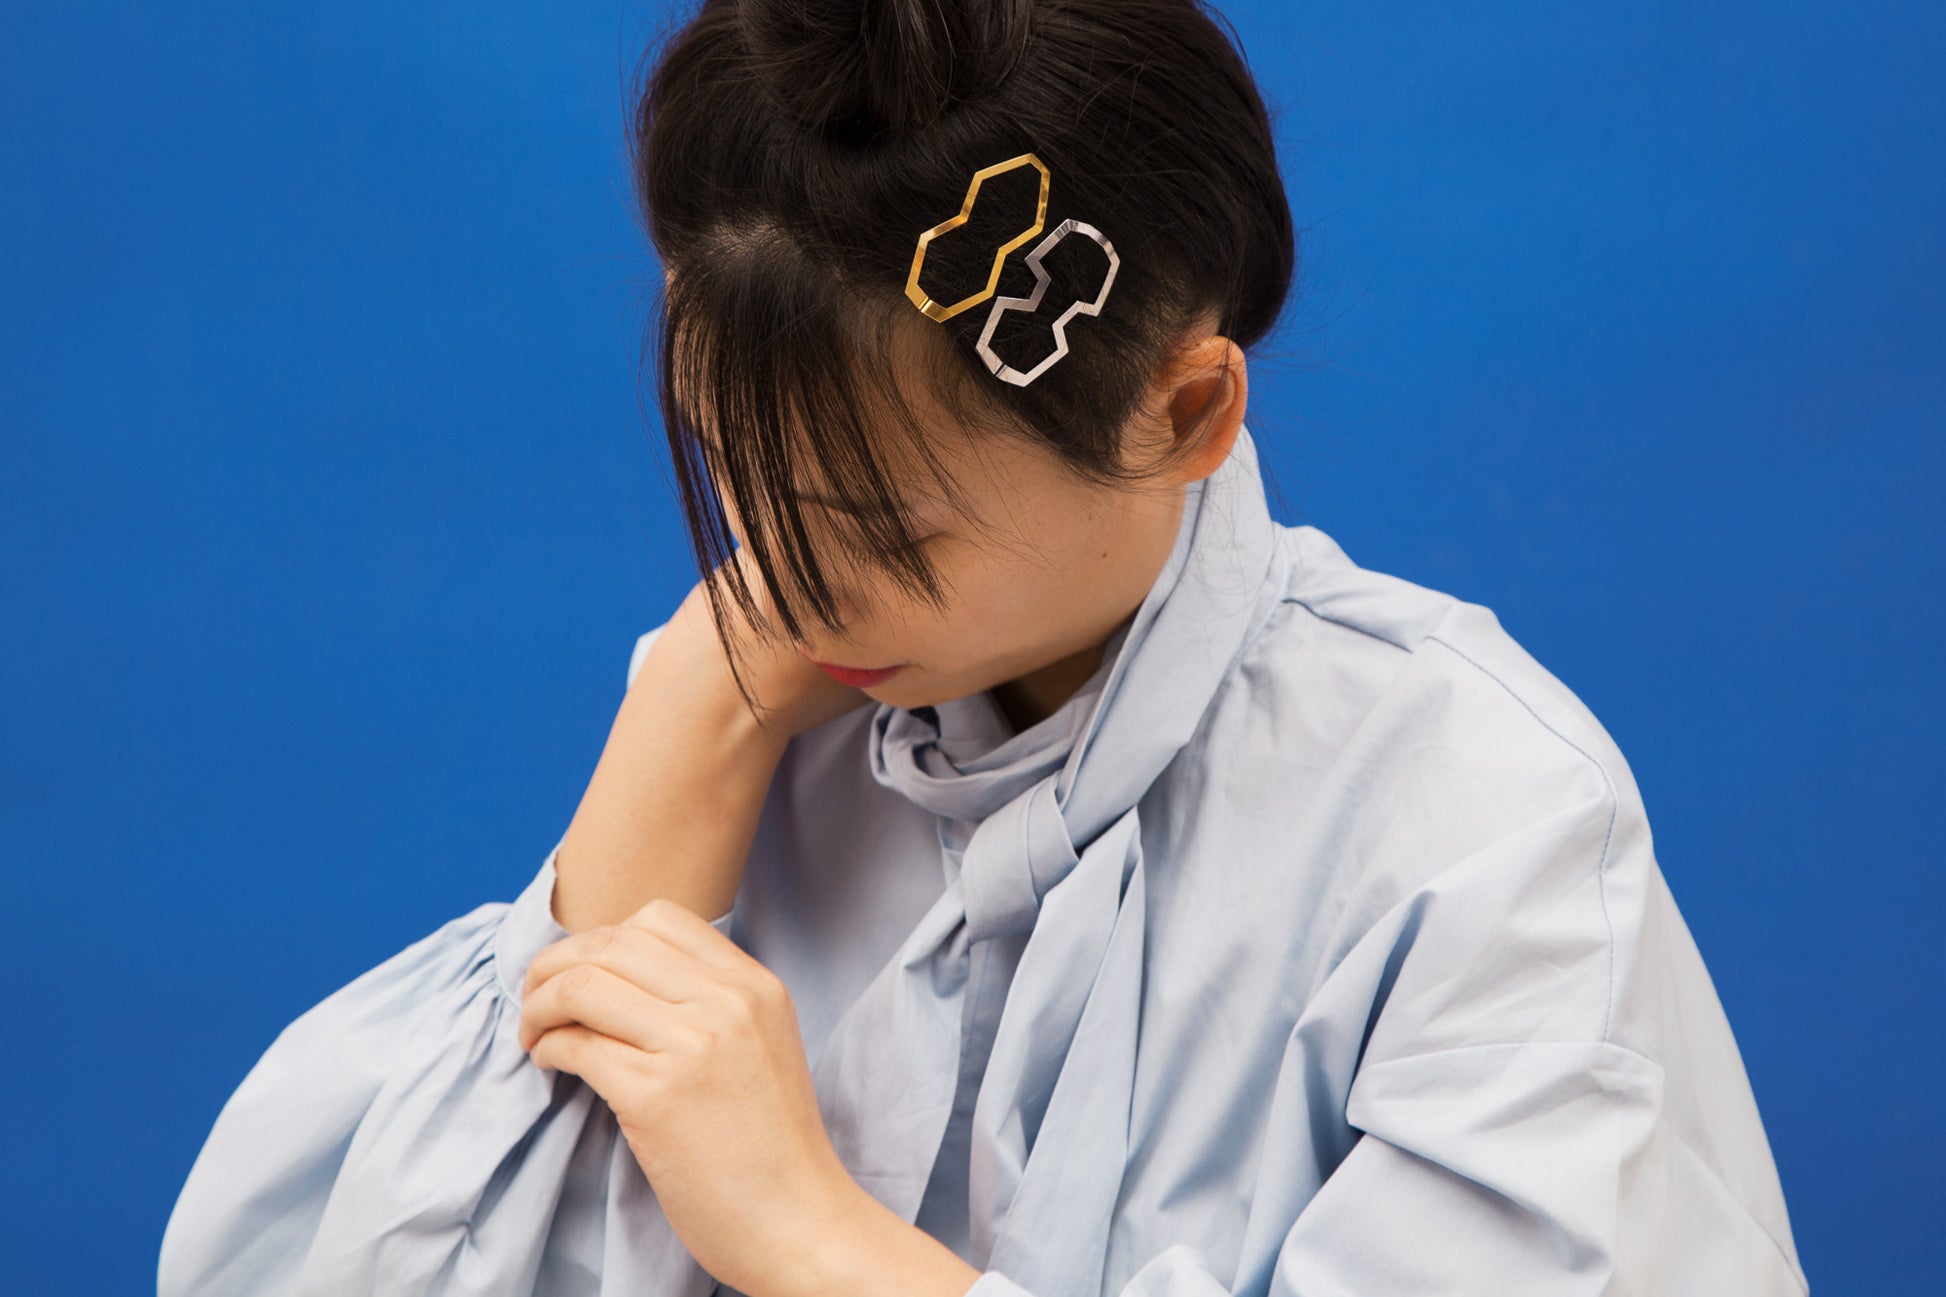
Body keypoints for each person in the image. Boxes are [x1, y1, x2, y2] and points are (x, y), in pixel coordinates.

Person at [158, 1, 1810, 1294]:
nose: (786, 584)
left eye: (878, 529)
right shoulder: (756, 717)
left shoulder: (1478, 821)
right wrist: (673, 752)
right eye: (736, 480)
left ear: (1183, 411)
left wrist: (817, 1240)